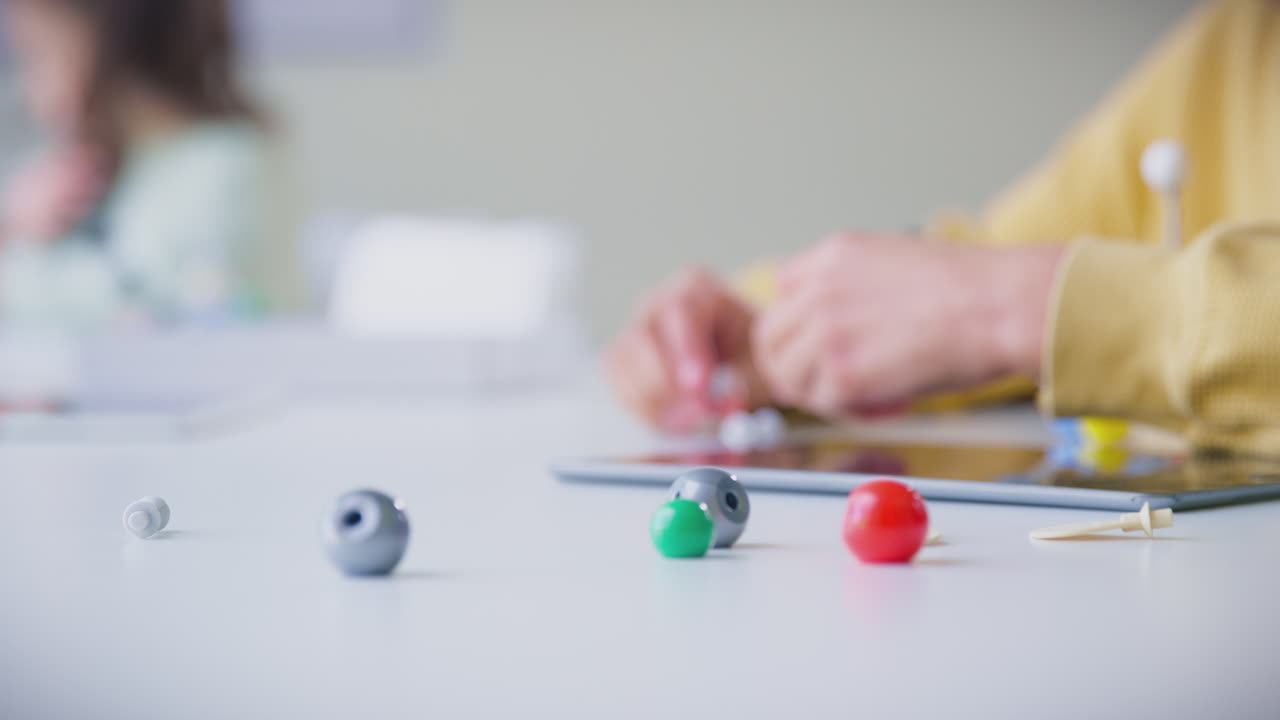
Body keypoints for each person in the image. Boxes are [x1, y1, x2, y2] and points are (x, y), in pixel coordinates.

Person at [605, 0, 1280, 456]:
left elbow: (1001, 291)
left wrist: (1009, 309)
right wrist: (761, 333)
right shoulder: (1241, 44)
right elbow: (1000, 256)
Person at [0, 0, 298, 330]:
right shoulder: (111, 169)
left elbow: (154, 316)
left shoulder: (225, 167)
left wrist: (12, 265)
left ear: (105, 45)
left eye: (36, 55)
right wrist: (12, 228)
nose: (28, 92)